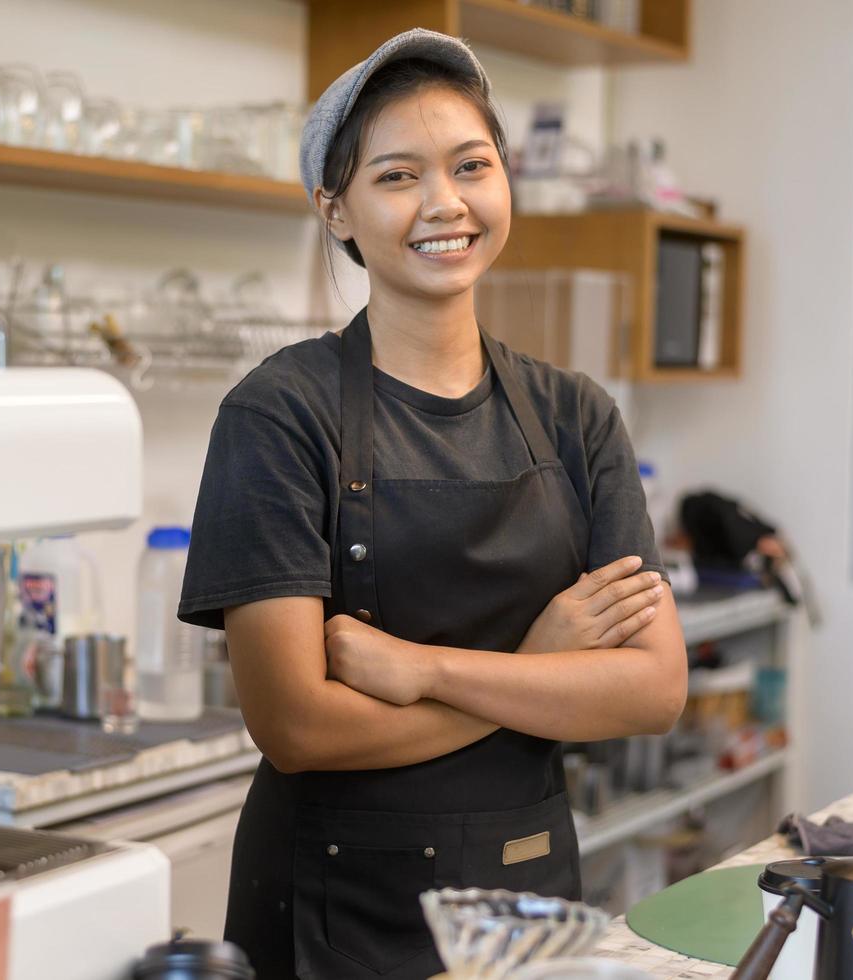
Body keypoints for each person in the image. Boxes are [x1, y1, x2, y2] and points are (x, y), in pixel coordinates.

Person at [178, 28, 687, 979]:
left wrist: (422, 669)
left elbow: (651, 691)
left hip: (527, 901)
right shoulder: (279, 414)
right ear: (336, 211)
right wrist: (539, 673)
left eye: (470, 166)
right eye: (398, 176)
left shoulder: (576, 416)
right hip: (332, 911)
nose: (444, 203)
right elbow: (296, 728)